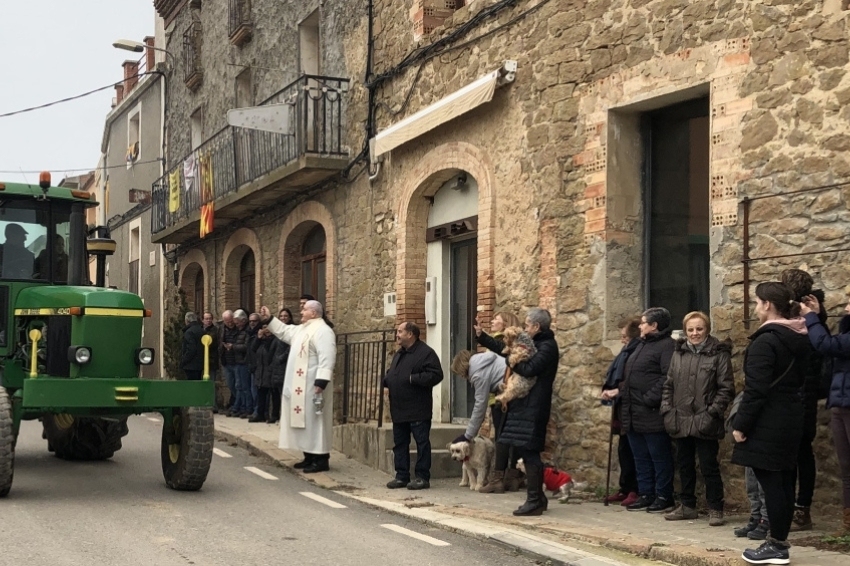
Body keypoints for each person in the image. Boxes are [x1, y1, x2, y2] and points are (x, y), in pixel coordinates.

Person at [731, 282, 811, 565]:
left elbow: (756, 390)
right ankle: (779, 542)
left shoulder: (766, 341)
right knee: (785, 481)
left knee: (773, 484)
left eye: (757, 302)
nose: (755, 308)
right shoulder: (799, 336)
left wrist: (741, 425)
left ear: (767, 304)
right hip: (791, 416)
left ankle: (776, 545)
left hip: (768, 421)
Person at [660, 311, 734, 526]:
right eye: (690, 329)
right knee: (684, 464)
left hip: (705, 419)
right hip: (680, 417)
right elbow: (669, 384)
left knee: (709, 466)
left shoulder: (718, 353)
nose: (695, 333)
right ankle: (687, 505)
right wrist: (667, 409)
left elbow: (726, 388)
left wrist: (712, 412)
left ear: (707, 329)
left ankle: (715, 508)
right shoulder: (679, 353)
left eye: (699, 329)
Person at [259, 300, 336, 473]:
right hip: (300, 387)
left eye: (304, 309)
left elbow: (327, 356)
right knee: (304, 422)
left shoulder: (323, 331)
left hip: (313, 386)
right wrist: (269, 318)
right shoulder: (302, 329)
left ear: (314, 313)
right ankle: (309, 456)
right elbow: (284, 331)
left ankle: (321, 459)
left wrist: (321, 381)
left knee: (315, 421)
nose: (301, 312)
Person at [498, 308, 559, 516]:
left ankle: (534, 500)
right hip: (526, 405)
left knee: (530, 451)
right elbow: (506, 349)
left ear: (536, 326)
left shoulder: (547, 346)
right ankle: (538, 498)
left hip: (535, 406)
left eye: (527, 325)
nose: (524, 329)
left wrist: (510, 360)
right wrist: (483, 338)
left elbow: (529, 369)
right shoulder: (535, 343)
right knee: (526, 450)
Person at [781, 268, 826, 532]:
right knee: (797, 452)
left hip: (803, 387)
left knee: (799, 452)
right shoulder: (813, 314)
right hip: (802, 388)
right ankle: (794, 508)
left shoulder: (810, 314)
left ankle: (800, 509)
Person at [801, 292, 850, 536]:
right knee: (846, 467)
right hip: (840, 403)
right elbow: (831, 349)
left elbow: (826, 345)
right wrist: (818, 315)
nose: (847, 306)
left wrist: (811, 317)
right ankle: (848, 524)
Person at [619, 307, 676, 513]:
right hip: (633, 411)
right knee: (640, 457)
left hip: (651, 412)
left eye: (643, 323)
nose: (640, 326)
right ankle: (646, 493)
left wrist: (649, 398)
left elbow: (667, 376)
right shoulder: (642, 344)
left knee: (659, 457)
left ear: (654, 325)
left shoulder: (666, 346)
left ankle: (663, 496)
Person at [383, 322, 444, 490]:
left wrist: (413, 379)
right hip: (399, 408)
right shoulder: (400, 353)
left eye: (400, 331)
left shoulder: (426, 353)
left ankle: (422, 477)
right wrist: (387, 381)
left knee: (421, 443)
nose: (397, 335)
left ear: (410, 334)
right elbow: (393, 372)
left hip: (418, 408)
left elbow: (436, 375)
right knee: (399, 443)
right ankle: (401, 475)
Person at [473, 311, 524, 493]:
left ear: (506, 324)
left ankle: (499, 478)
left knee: (503, 437)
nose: (493, 320)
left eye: (497, 319)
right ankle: (513, 477)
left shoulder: (506, 343)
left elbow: (499, 349)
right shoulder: (517, 344)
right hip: (509, 395)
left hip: (504, 396)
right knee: (512, 437)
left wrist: (482, 336)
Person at [600, 315, 642, 506]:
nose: (622, 339)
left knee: (633, 451)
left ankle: (635, 489)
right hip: (622, 407)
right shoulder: (625, 352)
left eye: (624, 336)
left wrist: (618, 390)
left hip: (633, 407)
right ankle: (625, 488)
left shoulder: (636, 352)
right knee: (623, 449)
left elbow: (633, 379)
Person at [449, 348, 508, 470]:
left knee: (503, 436)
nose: (462, 377)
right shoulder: (482, 360)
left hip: (513, 392)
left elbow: (480, 406)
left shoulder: (477, 374)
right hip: (513, 389)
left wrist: (468, 435)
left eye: (459, 374)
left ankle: (500, 473)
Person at [267, 309, 292, 423]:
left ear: (290, 317)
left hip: (284, 366)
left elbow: (291, 347)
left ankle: (285, 417)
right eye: (281, 316)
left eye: (285, 316)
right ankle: (275, 415)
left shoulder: (291, 330)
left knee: (284, 393)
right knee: (275, 393)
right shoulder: (276, 332)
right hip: (274, 367)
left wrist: (281, 358)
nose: (283, 318)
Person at [224, 310, 251, 418]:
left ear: (243, 320)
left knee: (245, 387)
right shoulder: (239, 331)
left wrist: (233, 347)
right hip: (237, 361)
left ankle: (247, 408)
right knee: (239, 386)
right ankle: (240, 407)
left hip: (244, 362)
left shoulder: (246, 331)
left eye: (237, 322)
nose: (236, 324)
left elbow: (246, 346)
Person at [218, 310, 238, 412]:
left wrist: (233, 346)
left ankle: (237, 404)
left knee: (239, 385)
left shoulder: (238, 328)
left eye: (230, 321)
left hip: (237, 361)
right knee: (230, 384)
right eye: (227, 321)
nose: (229, 323)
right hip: (226, 361)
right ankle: (235, 403)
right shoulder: (222, 329)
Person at [201, 313, 221, 411]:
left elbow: (211, 342)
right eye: (206, 319)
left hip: (211, 362)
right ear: (203, 320)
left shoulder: (214, 331)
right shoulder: (201, 330)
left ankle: (213, 405)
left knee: (211, 384)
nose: (208, 321)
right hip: (202, 362)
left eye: (210, 319)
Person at [180, 312, 205, 381]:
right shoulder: (201, 330)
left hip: (190, 365)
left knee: (191, 384)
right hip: (200, 364)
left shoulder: (189, 332)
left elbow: (191, 348)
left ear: (187, 321)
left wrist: (183, 360)